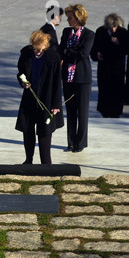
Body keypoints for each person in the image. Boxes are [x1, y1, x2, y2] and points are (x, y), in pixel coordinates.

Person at [16, 31, 64, 164]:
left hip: (46, 99)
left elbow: (57, 83)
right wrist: (23, 82)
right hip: (30, 98)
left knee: (44, 132)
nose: (36, 51)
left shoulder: (53, 57)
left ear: (45, 46)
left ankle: (46, 163)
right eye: (34, 48)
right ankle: (28, 159)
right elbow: (20, 72)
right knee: (28, 130)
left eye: (39, 49)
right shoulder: (26, 54)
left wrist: (56, 105)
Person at [58, 4, 94, 153]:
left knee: (82, 112)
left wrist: (68, 51)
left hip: (82, 78)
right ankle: (71, 142)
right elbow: (61, 50)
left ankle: (81, 143)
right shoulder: (67, 32)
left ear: (78, 18)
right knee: (71, 111)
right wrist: (69, 52)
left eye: (70, 18)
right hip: (68, 77)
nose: (67, 20)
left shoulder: (89, 34)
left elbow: (83, 54)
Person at [91, 14, 129, 118]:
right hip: (104, 68)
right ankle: (104, 112)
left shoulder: (123, 33)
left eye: (114, 26)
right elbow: (94, 48)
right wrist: (96, 54)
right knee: (104, 91)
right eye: (110, 26)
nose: (113, 29)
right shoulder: (100, 31)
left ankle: (115, 113)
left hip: (117, 69)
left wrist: (118, 43)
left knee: (116, 92)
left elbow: (126, 49)